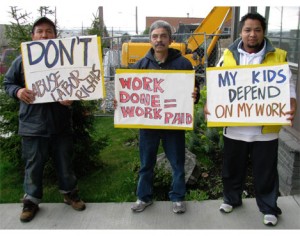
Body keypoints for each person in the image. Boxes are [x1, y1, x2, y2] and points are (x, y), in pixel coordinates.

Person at [204, 13, 297, 226]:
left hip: (265, 130)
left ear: (263, 32)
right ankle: (231, 199)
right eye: (247, 30)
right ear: (241, 32)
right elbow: (217, 85)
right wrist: (211, 102)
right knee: (231, 168)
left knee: (266, 172)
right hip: (234, 128)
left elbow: (289, 87)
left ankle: (269, 207)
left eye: (256, 30)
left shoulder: (278, 56)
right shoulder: (226, 55)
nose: (252, 34)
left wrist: (292, 103)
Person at [3, 16, 86, 223]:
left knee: (65, 163)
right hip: (33, 125)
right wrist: (18, 91)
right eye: (40, 31)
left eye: (49, 31)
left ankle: (70, 194)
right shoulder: (21, 60)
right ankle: (31, 201)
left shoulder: (65, 60)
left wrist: (72, 98)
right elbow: (8, 83)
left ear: (55, 36)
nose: (44, 35)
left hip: (60, 123)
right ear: (33, 36)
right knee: (34, 165)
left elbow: (77, 84)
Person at [128, 20, 200, 214]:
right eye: (155, 36)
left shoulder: (183, 63)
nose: (159, 40)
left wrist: (195, 95)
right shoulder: (140, 65)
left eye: (163, 36)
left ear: (170, 39)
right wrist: (121, 102)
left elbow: (194, 91)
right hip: (149, 125)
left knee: (177, 163)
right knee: (146, 164)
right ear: (150, 39)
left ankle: (177, 197)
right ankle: (143, 197)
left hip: (173, 124)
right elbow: (129, 93)